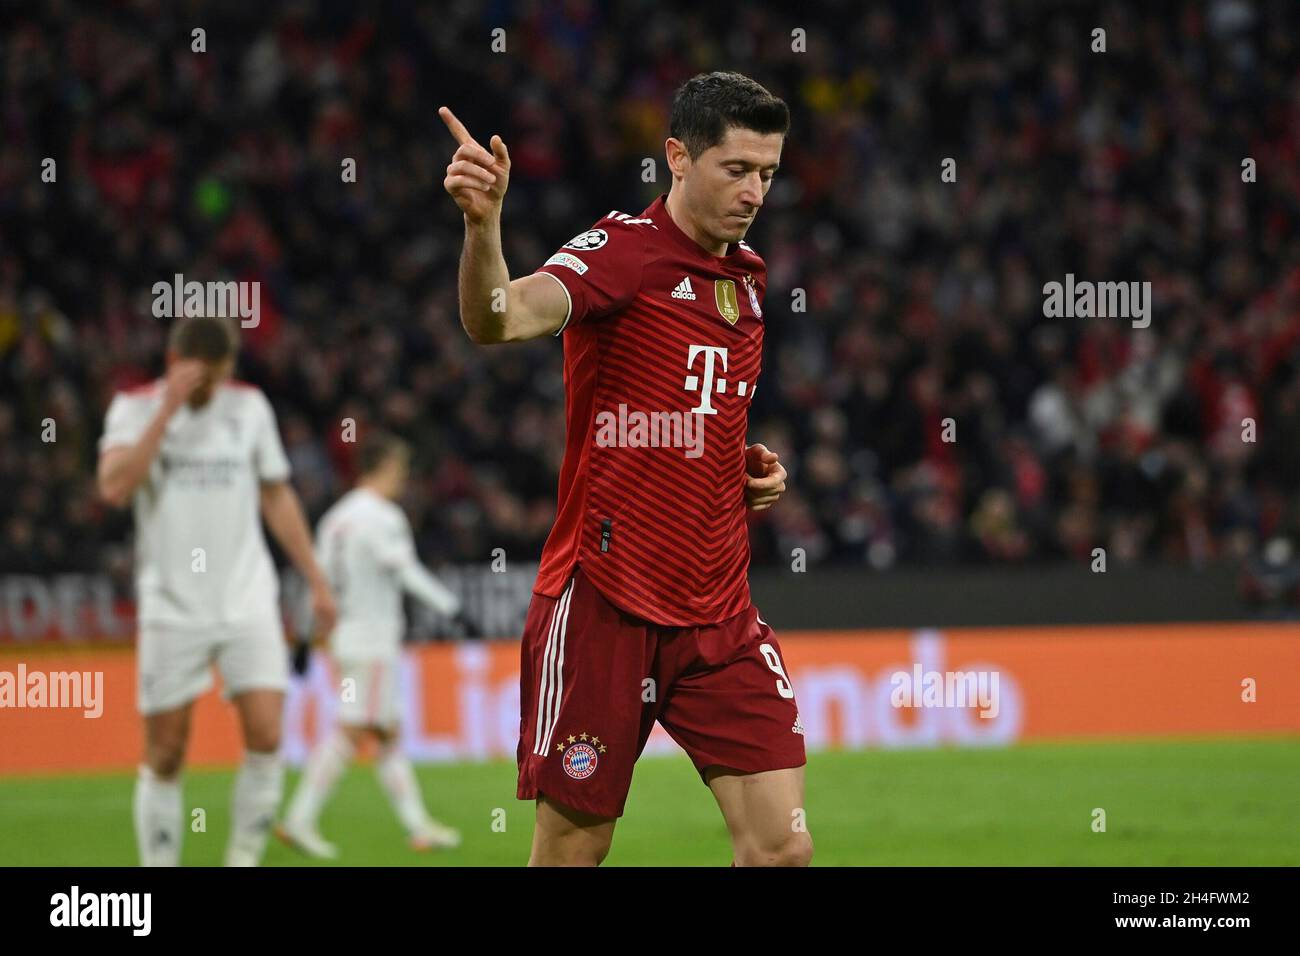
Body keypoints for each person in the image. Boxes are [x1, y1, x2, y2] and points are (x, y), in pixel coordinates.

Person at [440, 70, 810, 866]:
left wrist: (741, 467)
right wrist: (484, 226)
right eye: (736, 170)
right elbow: (497, 320)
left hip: (719, 610)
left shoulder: (747, 280)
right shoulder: (621, 254)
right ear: (678, 157)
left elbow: (690, 411)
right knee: (574, 852)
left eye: (768, 174)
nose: (755, 193)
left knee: (782, 850)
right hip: (608, 601)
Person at [97, 315, 337, 866]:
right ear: (174, 366)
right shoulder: (134, 408)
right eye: (199, 380)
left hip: (248, 598)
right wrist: (165, 413)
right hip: (170, 605)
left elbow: (276, 497)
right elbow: (114, 487)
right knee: (165, 750)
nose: (210, 390)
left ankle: (242, 860)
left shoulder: (249, 408)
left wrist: (317, 579)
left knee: (267, 732)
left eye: (219, 377)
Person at [277, 432, 463, 857]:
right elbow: (407, 572)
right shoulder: (383, 517)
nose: (403, 478)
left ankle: (419, 826)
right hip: (374, 640)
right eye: (400, 469)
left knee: (387, 733)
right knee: (353, 730)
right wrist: (452, 608)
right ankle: (299, 819)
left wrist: (304, 638)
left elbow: (316, 584)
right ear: (384, 468)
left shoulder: (334, 520)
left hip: (344, 639)